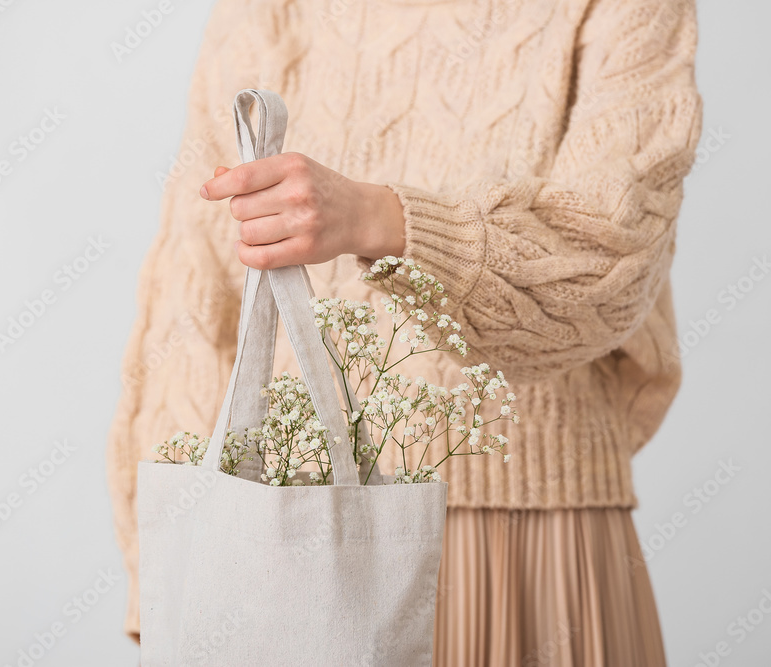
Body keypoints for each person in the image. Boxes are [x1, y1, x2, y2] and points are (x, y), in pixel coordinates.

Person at [107, 0, 703, 663]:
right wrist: (172, 578)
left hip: (533, 547)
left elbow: (606, 268)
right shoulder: (267, 11)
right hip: (291, 559)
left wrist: (377, 217)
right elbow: (190, 310)